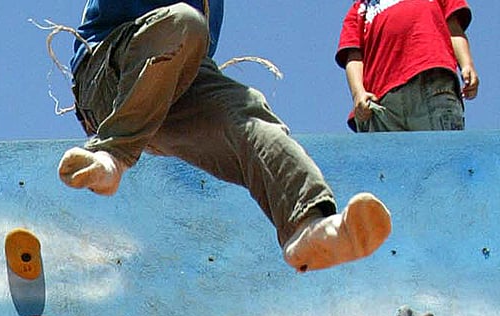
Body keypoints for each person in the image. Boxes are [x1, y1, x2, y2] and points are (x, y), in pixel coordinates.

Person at [57, 1, 393, 273]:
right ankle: (112, 153)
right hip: (105, 71)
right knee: (184, 23)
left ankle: (307, 227)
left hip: (177, 78)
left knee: (247, 112)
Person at [336, 0, 478, 132]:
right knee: (384, 157)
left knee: (442, 151)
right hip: (380, 104)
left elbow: (453, 28)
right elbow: (353, 56)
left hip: (431, 83)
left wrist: (466, 64)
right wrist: (358, 93)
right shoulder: (360, 10)